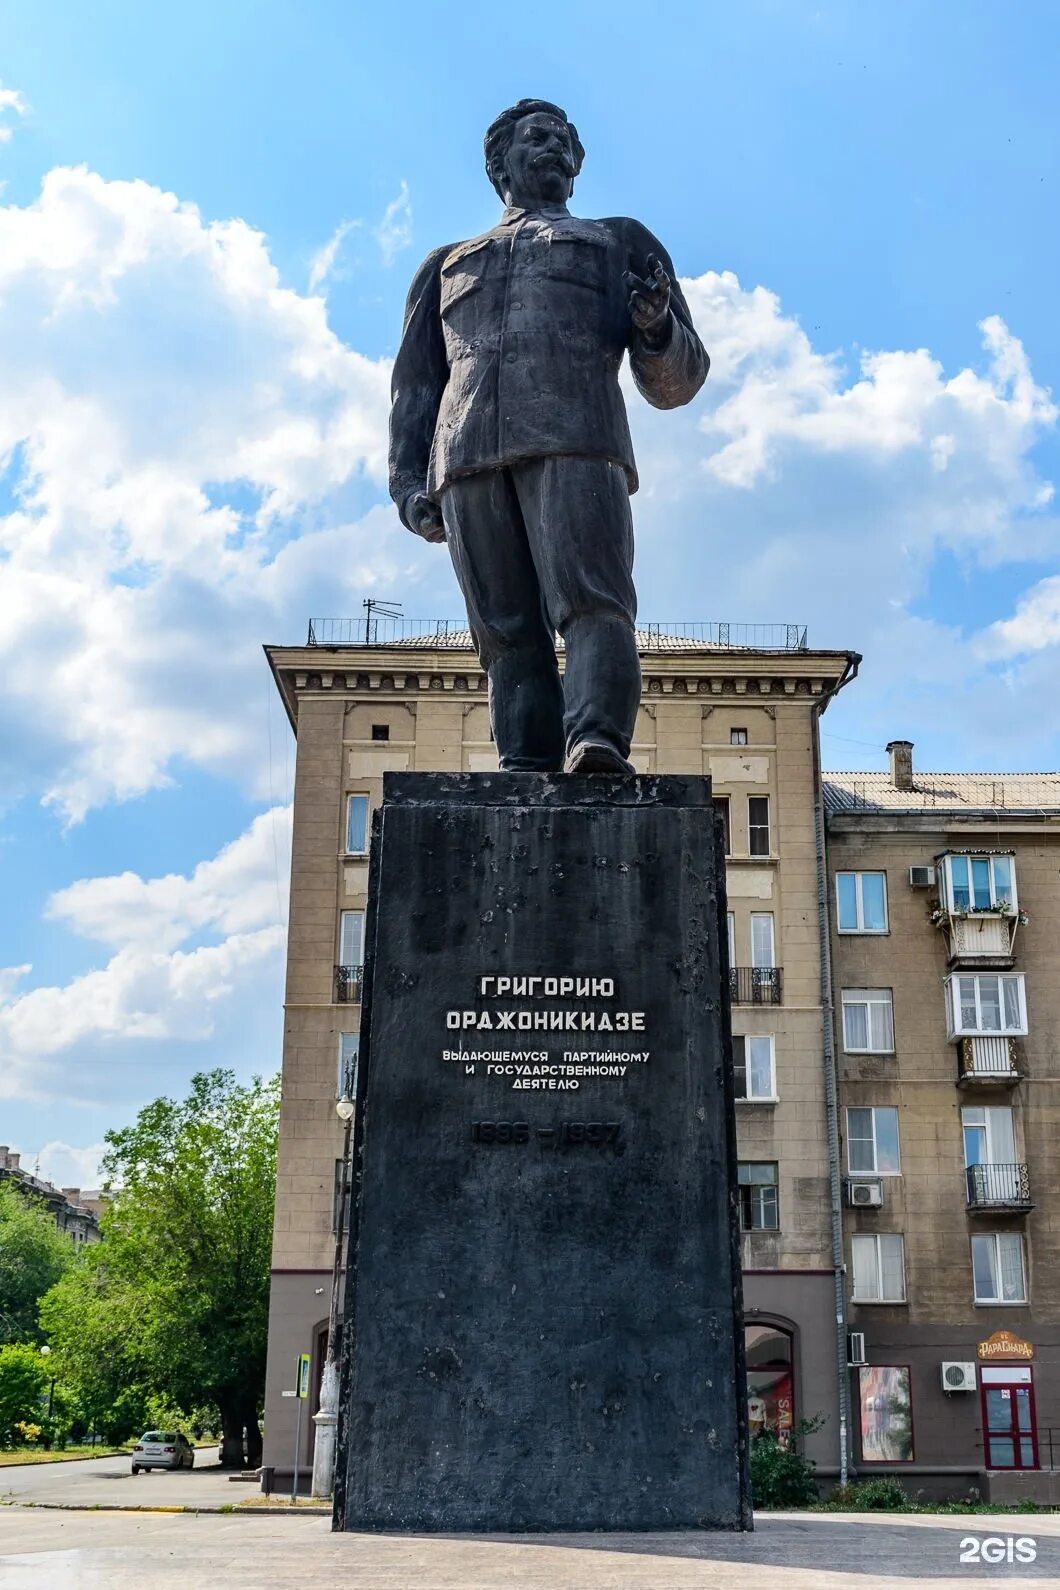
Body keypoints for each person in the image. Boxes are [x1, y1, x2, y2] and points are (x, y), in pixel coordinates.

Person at [389, 98, 709, 773]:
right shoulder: (446, 264)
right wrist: (407, 481)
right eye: (540, 138)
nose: (558, 150)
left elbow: (677, 381)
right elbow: (415, 386)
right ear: (497, 161)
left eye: (567, 143)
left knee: (592, 598)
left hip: (575, 439)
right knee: (503, 632)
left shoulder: (620, 240)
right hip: (467, 456)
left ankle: (595, 738)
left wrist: (655, 327)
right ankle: (526, 761)